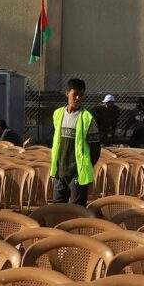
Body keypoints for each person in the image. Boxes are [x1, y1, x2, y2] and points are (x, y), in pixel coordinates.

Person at [50, 78, 101, 207]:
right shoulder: (57, 114)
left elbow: (95, 149)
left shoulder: (87, 119)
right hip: (60, 172)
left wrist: (85, 166)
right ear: (67, 93)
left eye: (81, 95)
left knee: (77, 210)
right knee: (57, 208)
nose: (78, 98)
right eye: (75, 94)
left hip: (77, 174)